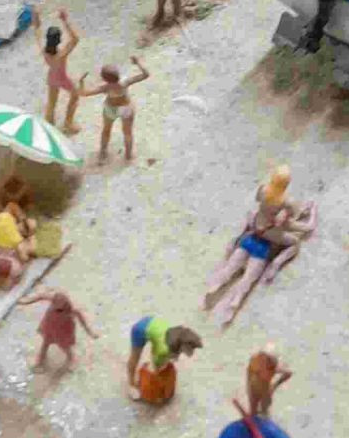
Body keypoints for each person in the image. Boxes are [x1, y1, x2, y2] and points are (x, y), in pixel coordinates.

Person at [204, 168, 318, 328]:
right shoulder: (288, 207)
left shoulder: (263, 190)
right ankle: (276, 264)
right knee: (294, 244)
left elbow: (258, 201)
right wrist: (312, 211)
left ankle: (215, 285)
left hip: (254, 232)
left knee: (230, 267)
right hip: (267, 242)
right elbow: (307, 226)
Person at [80, 58, 149, 164]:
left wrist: (81, 81)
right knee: (128, 132)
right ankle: (128, 155)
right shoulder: (125, 82)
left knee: (106, 130)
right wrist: (138, 63)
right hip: (126, 107)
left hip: (111, 108)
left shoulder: (105, 88)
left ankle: (103, 152)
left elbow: (84, 93)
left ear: (104, 78)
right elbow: (145, 75)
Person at [126, 318, 203, 405]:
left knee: (158, 349)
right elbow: (155, 363)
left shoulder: (176, 334)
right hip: (139, 331)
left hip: (152, 323)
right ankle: (131, 384)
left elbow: (166, 349)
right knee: (135, 357)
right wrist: (156, 372)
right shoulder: (163, 349)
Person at [23, 290, 95, 373]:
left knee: (65, 347)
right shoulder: (53, 300)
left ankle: (71, 359)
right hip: (50, 328)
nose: (54, 305)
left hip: (62, 331)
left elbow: (82, 322)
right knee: (45, 344)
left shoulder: (73, 310)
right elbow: (41, 296)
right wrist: (26, 302)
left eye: (58, 307)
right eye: (54, 303)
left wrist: (90, 333)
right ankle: (40, 361)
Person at [42, 10, 83, 132]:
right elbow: (75, 39)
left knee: (51, 103)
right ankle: (68, 122)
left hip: (51, 77)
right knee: (75, 95)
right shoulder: (61, 55)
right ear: (59, 40)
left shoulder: (45, 51)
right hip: (62, 78)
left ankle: (49, 123)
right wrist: (65, 21)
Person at [245, 343, 291, 420]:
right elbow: (249, 374)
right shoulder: (256, 361)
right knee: (253, 409)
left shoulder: (272, 367)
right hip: (254, 386)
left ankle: (262, 420)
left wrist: (275, 386)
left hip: (264, 388)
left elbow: (288, 373)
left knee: (264, 411)